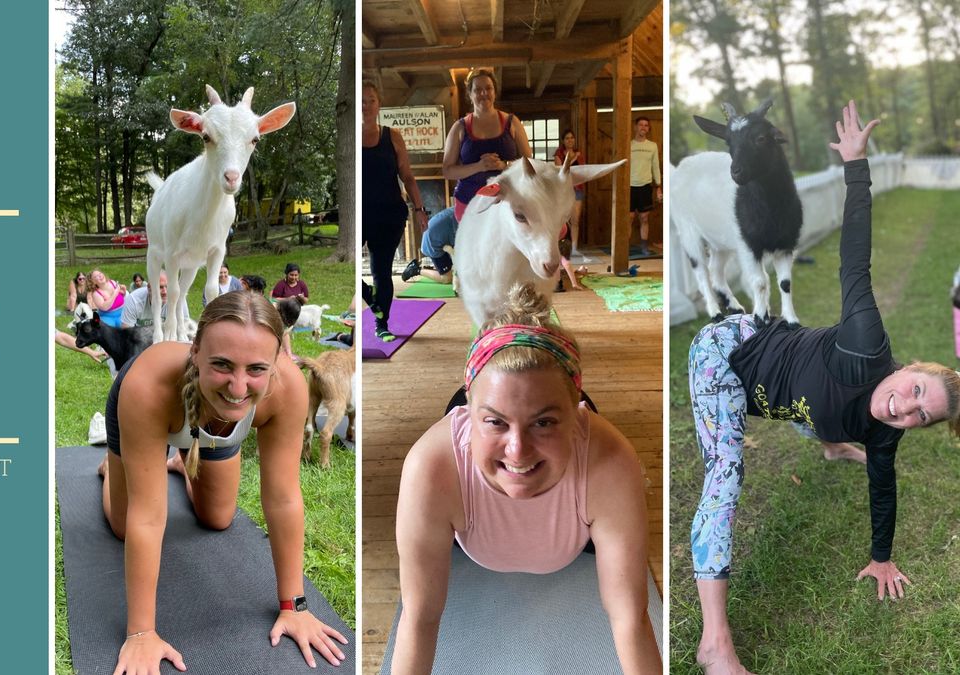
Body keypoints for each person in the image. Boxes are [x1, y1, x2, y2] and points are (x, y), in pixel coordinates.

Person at [686, 101, 960, 674]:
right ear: (906, 367)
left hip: (790, 387)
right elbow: (855, 258)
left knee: (825, 411)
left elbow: (884, 493)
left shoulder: (887, 435)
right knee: (726, 474)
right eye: (914, 392)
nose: (906, 409)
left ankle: (830, 439)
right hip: (730, 354)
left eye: (921, 417)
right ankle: (714, 645)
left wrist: (882, 558)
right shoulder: (865, 343)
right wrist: (855, 166)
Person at [392, 284, 661, 674]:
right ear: (470, 414)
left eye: (544, 422)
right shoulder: (431, 467)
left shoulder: (611, 463)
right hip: (465, 490)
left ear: (579, 415)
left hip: (579, 488)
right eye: (496, 421)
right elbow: (419, 618)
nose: (518, 449)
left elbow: (630, 619)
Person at [100, 292, 348, 673]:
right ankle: (114, 466)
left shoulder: (288, 388)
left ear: (276, 362)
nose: (237, 386)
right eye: (222, 364)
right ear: (196, 352)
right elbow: (148, 519)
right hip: (146, 413)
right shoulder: (149, 386)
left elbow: (283, 498)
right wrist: (141, 633)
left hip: (212, 429)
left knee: (218, 517)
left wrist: (294, 606)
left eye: (256, 369)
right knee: (123, 524)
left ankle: (184, 461)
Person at [362, 80, 429, 342]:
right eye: (363, 101)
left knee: (381, 271)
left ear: (379, 105)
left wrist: (420, 209)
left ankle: (382, 323)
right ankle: (369, 297)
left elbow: (408, 176)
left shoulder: (393, 136)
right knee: (355, 269)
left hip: (390, 214)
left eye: (372, 100)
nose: (367, 105)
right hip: (361, 216)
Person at [442, 68, 531, 223]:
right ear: (470, 95)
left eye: (488, 88)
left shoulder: (512, 122)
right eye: (478, 90)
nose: (484, 93)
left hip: (509, 202)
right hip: (470, 203)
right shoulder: (460, 127)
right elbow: (448, 171)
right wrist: (479, 166)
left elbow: (529, 162)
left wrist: (505, 165)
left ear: (495, 92)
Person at [400, 207, 457, 285]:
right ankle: (415, 269)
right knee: (446, 278)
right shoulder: (466, 215)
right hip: (433, 242)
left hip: (441, 237)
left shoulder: (467, 209)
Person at [629, 117, 662, 255]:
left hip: (645, 186)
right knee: (628, 219)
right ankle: (624, 247)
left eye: (646, 125)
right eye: (640, 125)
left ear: (648, 129)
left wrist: (659, 187)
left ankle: (644, 247)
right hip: (629, 186)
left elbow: (655, 167)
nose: (643, 127)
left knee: (644, 218)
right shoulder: (628, 144)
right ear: (635, 127)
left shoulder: (652, 146)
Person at [555, 129, 586, 258]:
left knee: (575, 220)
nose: (570, 140)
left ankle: (574, 248)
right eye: (567, 138)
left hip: (577, 189)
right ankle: (558, 247)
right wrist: (573, 159)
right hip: (564, 190)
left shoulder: (579, 154)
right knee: (561, 220)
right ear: (563, 141)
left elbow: (582, 171)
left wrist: (577, 157)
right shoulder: (559, 154)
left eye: (572, 138)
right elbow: (561, 171)